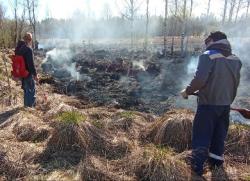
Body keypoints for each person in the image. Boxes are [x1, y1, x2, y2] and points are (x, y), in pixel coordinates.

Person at [180, 31, 242, 176]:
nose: (205, 44)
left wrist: (187, 91)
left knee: (201, 135)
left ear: (213, 40)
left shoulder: (208, 56)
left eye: (206, 41)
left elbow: (200, 80)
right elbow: (234, 83)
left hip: (208, 105)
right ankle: (216, 164)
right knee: (219, 136)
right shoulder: (236, 60)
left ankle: (197, 166)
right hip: (225, 105)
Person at [15, 32, 38, 107]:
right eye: (31, 39)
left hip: (22, 73)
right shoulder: (28, 49)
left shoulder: (19, 48)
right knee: (32, 90)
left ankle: (26, 106)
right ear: (30, 40)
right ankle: (31, 108)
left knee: (26, 90)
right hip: (28, 73)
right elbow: (31, 64)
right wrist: (35, 75)